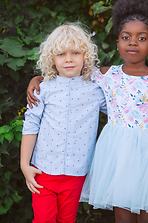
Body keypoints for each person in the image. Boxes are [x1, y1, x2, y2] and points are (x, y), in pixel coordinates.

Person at [27, 0, 148, 223]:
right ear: (117, 41)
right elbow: (67, 74)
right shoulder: (106, 76)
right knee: (122, 217)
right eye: (126, 37)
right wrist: (37, 80)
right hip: (117, 154)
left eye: (141, 38)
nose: (133, 42)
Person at [20, 23, 107, 223]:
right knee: (43, 220)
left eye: (75, 52)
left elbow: (121, 112)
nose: (68, 59)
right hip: (43, 171)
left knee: (67, 220)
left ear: (86, 56)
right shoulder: (43, 89)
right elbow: (31, 126)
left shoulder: (95, 91)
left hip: (77, 172)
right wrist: (25, 165)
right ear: (52, 59)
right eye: (61, 54)